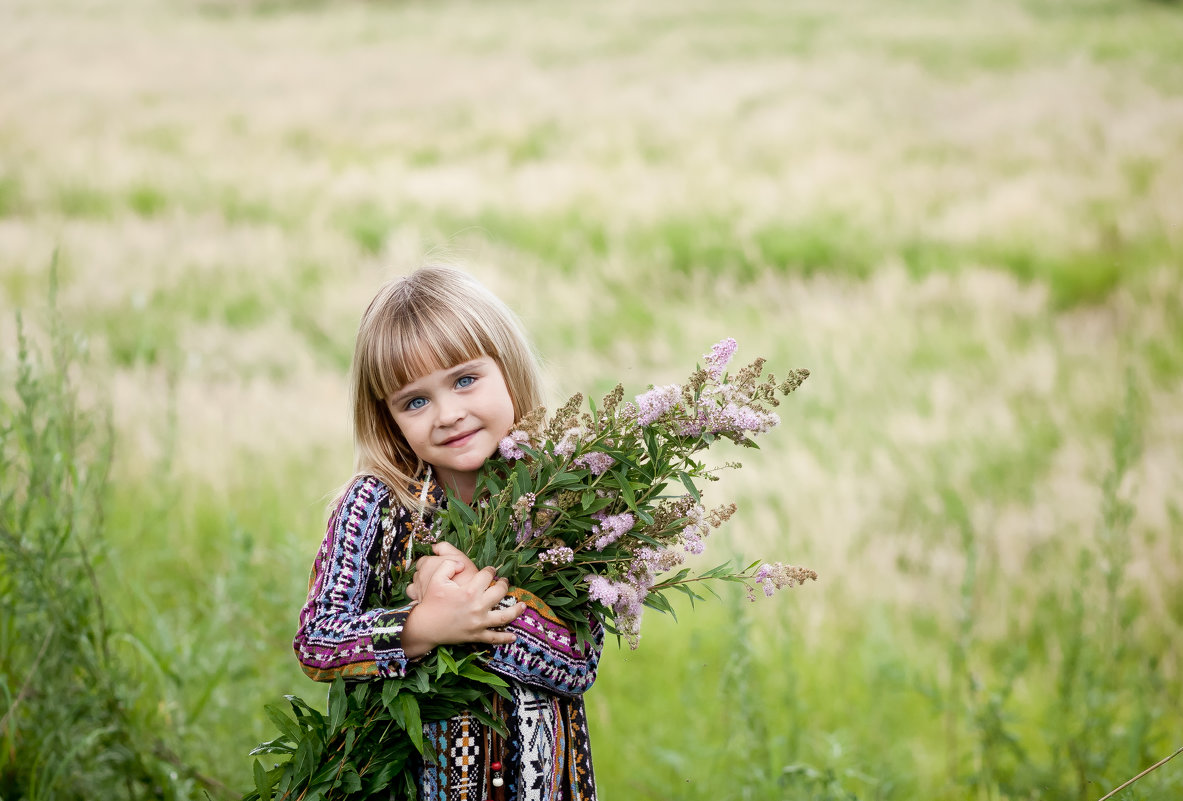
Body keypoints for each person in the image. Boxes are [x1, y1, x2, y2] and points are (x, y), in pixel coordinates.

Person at [293, 266, 602, 801]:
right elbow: (318, 642)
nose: (449, 414)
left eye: (464, 380)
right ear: (388, 418)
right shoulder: (376, 505)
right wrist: (423, 625)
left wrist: (473, 607)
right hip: (410, 784)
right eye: (415, 401)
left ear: (507, 369)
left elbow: (578, 660)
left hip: (543, 785)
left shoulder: (560, 500)